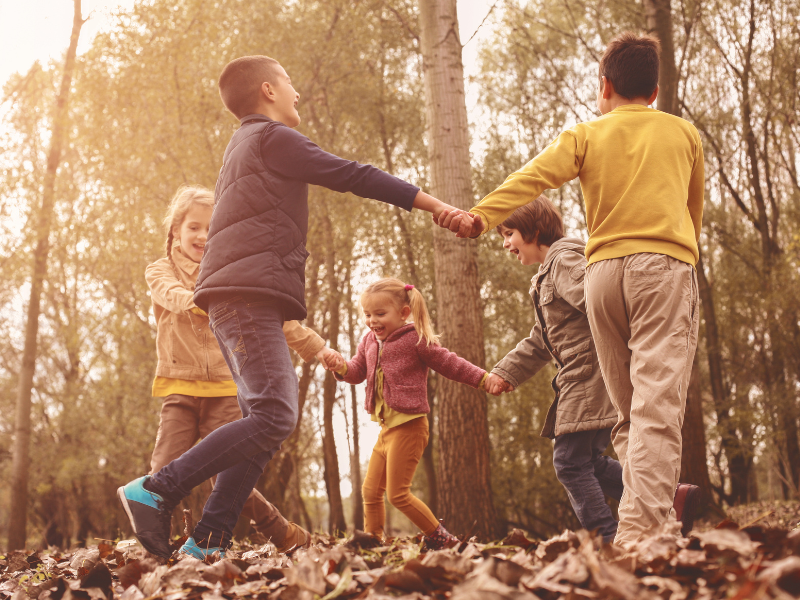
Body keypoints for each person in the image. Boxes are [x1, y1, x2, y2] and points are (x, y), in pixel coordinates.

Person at [118, 55, 458, 559]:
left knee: (261, 424)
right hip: (244, 300)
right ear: (268, 90)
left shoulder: (243, 145)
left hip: (235, 301)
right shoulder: (270, 137)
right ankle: (157, 487)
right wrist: (436, 206)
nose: (297, 93)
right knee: (275, 414)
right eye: (291, 83)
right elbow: (352, 174)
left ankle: (207, 539)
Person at [440, 33, 704, 548]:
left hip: (602, 273)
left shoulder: (587, 134)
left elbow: (532, 178)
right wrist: (681, 258)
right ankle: (642, 535)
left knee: (628, 415)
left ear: (604, 85)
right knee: (656, 408)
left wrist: (480, 216)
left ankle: (642, 525)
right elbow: (692, 215)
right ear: (654, 90)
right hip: (662, 267)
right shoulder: (683, 135)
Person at [144, 185, 340, 554]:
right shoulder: (160, 270)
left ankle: (280, 531)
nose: (202, 236)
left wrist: (319, 349)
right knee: (163, 466)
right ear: (175, 230)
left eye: (211, 228)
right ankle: (153, 541)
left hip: (224, 389)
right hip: (181, 388)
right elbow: (171, 295)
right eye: (194, 227)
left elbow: (278, 322)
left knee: (229, 478)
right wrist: (211, 298)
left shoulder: (230, 273)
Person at [484, 197, 622, 543]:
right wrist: (506, 372)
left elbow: (599, 302)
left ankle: (607, 540)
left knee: (570, 463)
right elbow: (540, 340)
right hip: (584, 377)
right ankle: (670, 499)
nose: (505, 244)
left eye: (509, 233)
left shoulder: (563, 261)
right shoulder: (547, 275)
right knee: (588, 459)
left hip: (588, 375)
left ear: (533, 229)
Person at [335, 278, 487, 549]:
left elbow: (449, 363)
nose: (372, 321)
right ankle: (373, 540)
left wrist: (483, 379)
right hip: (386, 430)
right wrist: (341, 367)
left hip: (410, 426)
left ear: (403, 313)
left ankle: (442, 537)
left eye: (380, 314)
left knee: (398, 494)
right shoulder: (368, 341)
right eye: (367, 315)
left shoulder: (415, 339)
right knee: (370, 491)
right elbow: (357, 371)